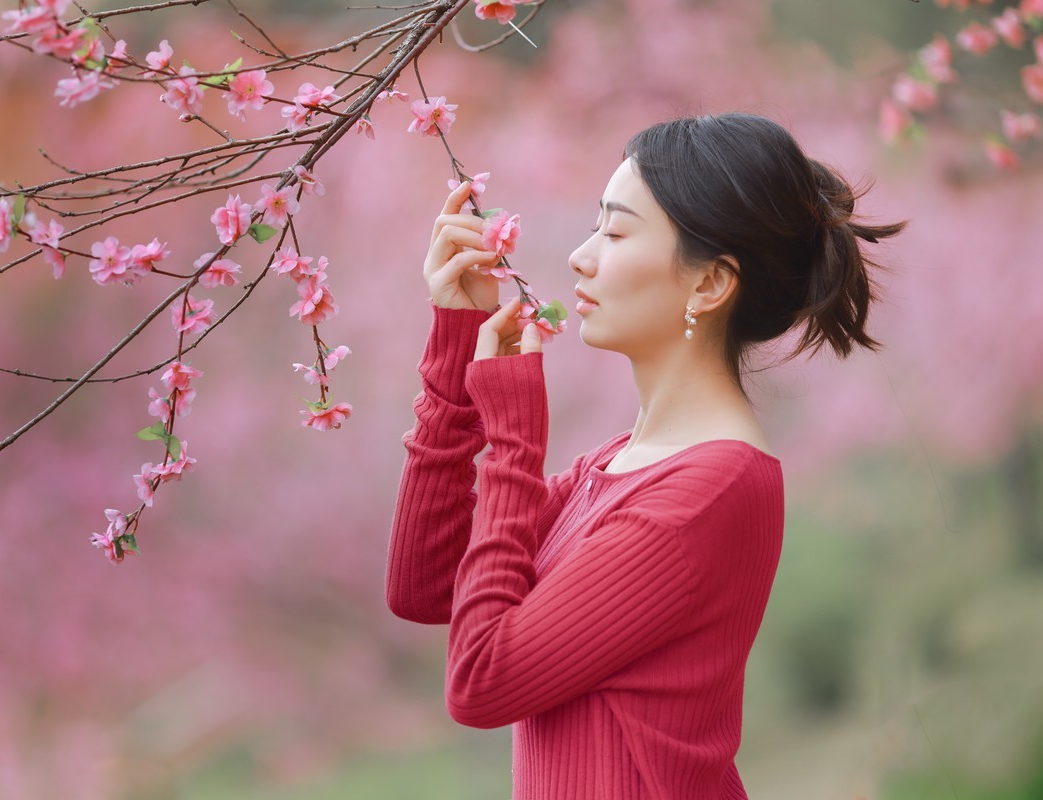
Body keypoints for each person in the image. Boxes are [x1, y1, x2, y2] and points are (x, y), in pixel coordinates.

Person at [386, 112, 904, 799]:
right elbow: (423, 587)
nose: (580, 254)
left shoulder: (705, 493)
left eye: (616, 230)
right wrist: (458, 347)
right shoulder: (621, 466)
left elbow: (480, 684)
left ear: (711, 283)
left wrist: (513, 440)